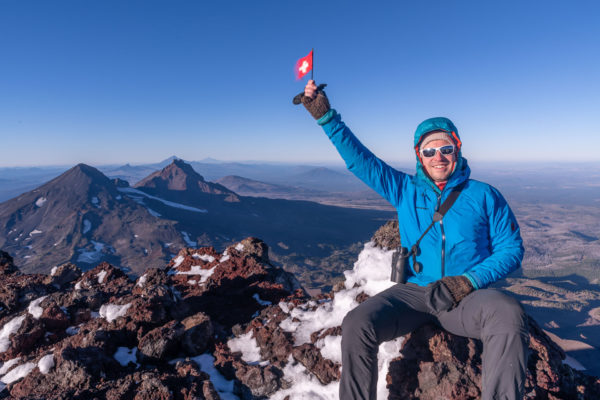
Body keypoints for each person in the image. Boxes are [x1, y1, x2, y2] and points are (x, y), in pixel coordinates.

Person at [297, 80, 528, 400]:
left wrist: (467, 281)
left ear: (457, 150)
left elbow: (511, 249)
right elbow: (360, 162)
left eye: (446, 148)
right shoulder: (405, 189)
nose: (438, 156)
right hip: (413, 294)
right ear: (419, 155)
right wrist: (326, 118)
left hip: (465, 298)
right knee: (357, 323)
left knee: (507, 313)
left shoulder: (485, 195)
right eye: (429, 150)